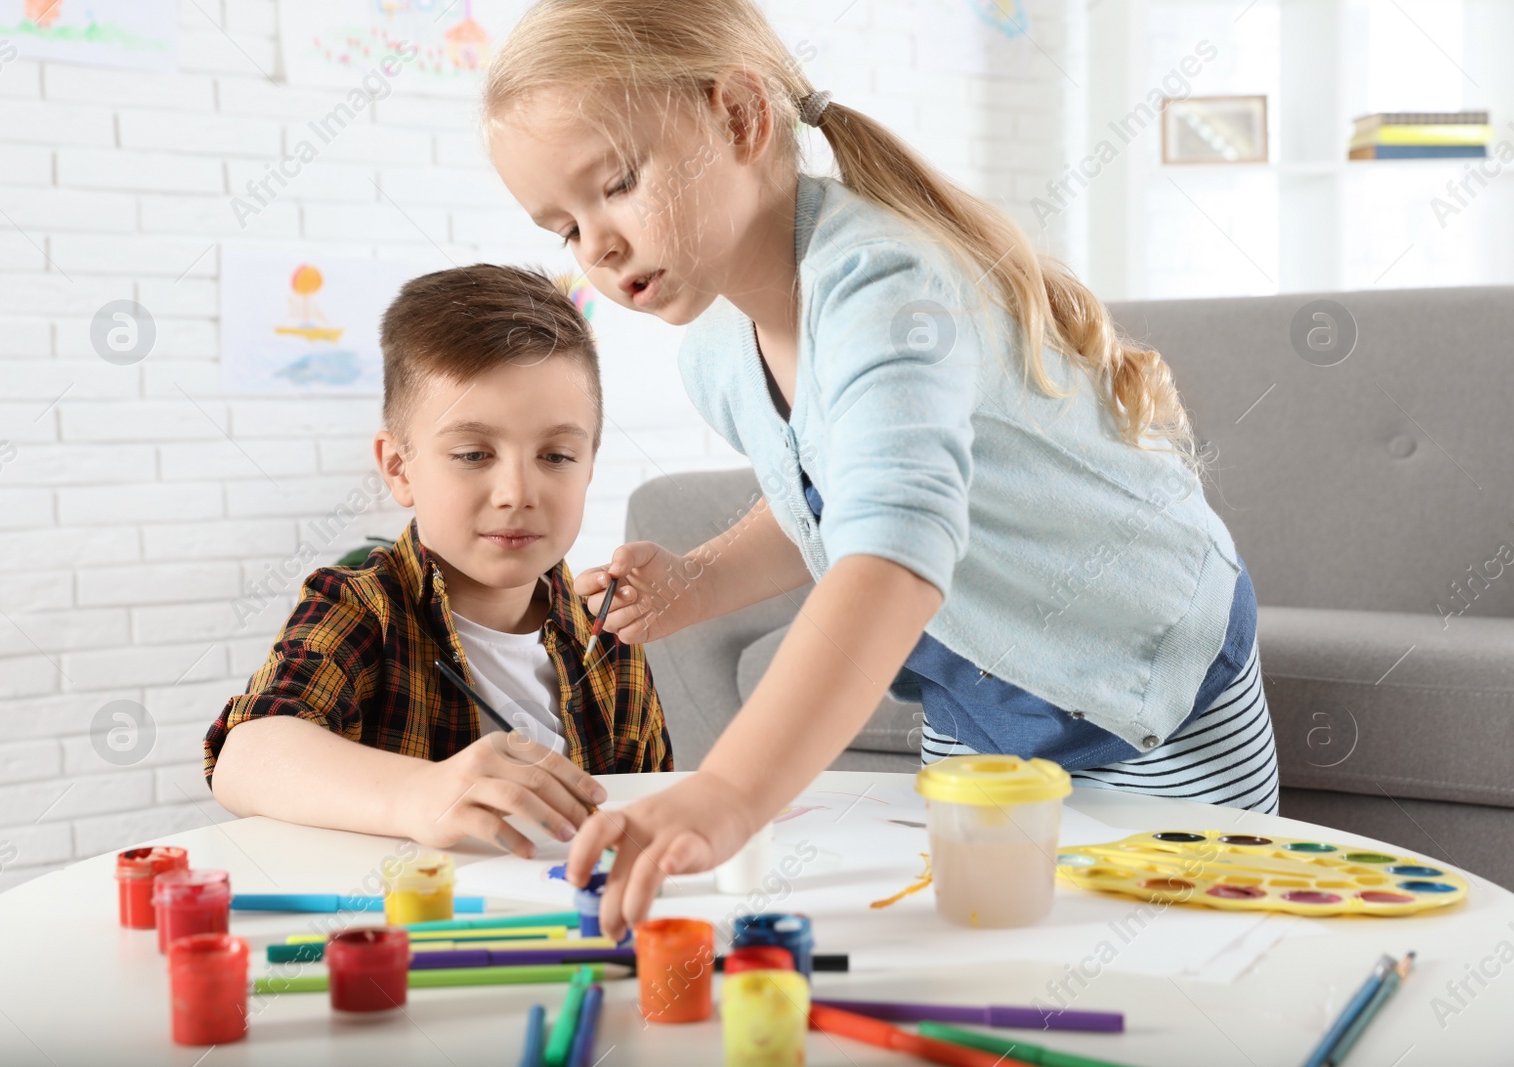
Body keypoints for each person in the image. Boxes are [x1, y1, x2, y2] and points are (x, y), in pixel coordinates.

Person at [483, 0, 1277, 938]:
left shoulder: (886, 287)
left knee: (1196, 935)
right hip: (981, 685)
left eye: (615, 183)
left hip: (1143, 672)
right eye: (562, 228)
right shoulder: (717, 354)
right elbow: (829, 501)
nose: (598, 247)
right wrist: (698, 579)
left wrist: (730, 792)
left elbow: (893, 550)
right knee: (1004, 939)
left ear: (740, 117)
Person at [204, 264, 671, 857]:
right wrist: (419, 793)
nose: (516, 492)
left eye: (556, 456)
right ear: (399, 467)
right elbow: (246, 756)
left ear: (591, 465)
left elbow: (651, 808)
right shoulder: (362, 607)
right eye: (474, 454)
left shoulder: (609, 640)